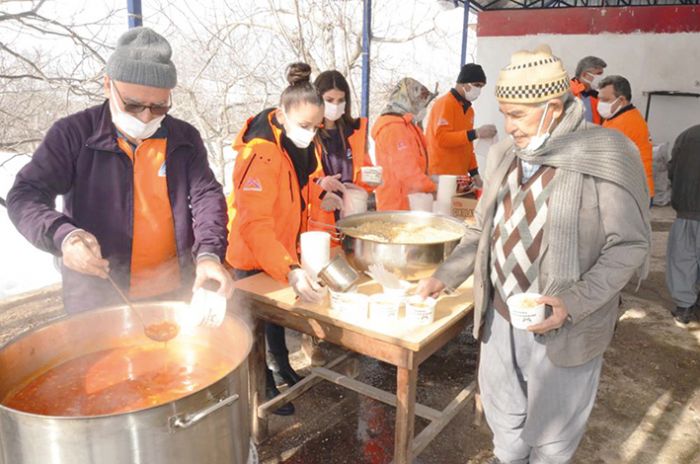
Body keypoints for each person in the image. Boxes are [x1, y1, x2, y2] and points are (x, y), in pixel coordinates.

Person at [419, 45, 650, 464]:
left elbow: (629, 246)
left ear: (554, 106)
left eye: (518, 114)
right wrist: (444, 274)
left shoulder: (606, 154)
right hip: (502, 320)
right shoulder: (507, 156)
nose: (509, 127)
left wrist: (572, 302)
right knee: (506, 430)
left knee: (553, 441)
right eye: (504, 113)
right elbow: (482, 229)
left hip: (567, 329)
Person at [6, 27, 232, 313]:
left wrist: (209, 254)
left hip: (176, 289)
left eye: (159, 106)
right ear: (107, 85)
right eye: (133, 105)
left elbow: (207, 197)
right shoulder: (74, 134)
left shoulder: (183, 139)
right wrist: (64, 236)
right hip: (99, 296)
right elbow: (25, 195)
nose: (146, 116)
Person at [226, 62, 337, 415]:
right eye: (305, 125)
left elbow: (303, 191)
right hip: (252, 255)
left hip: (283, 251)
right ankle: (260, 386)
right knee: (253, 327)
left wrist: (323, 195)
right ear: (282, 112)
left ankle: (281, 365)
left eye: (317, 126)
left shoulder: (304, 143)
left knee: (276, 320)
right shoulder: (259, 153)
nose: (311, 132)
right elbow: (254, 223)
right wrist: (288, 268)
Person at [307, 70, 376, 230]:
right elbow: (298, 181)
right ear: (317, 100)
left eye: (340, 100)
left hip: (352, 220)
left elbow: (364, 174)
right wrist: (321, 188)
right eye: (329, 100)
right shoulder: (306, 134)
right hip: (319, 222)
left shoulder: (355, 133)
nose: (335, 106)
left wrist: (371, 181)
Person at [425, 63, 497, 185]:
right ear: (464, 83)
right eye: (477, 85)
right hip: (440, 174)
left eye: (481, 87)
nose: (479, 90)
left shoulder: (469, 111)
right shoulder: (445, 104)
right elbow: (442, 138)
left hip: (458, 176)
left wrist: (475, 174)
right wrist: (476, 133)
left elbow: (467, 146)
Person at [372, 77, 436, 211]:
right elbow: (407, 172)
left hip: (407, 203)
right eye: (421, 104)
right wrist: (433, 188)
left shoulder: (405, 125)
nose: (424, 109)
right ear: (409, 102)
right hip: (397, 206)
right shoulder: (394, 129)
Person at [599, 75, 654, 201]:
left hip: (630, 193)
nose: (600, 104)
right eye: (600, 99)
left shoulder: (625, 123)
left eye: (605, 100)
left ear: (622, 100)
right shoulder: (617, 117)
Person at [666, 123, 700, 328]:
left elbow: (672, 169)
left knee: (683, 259)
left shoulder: (687, 135)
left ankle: (685, 308)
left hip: (686, 209)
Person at [570, 56, 607, 124]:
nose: (601, 78)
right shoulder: (568, 93)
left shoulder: (597, 95)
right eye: (598, 74)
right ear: (584, 75)